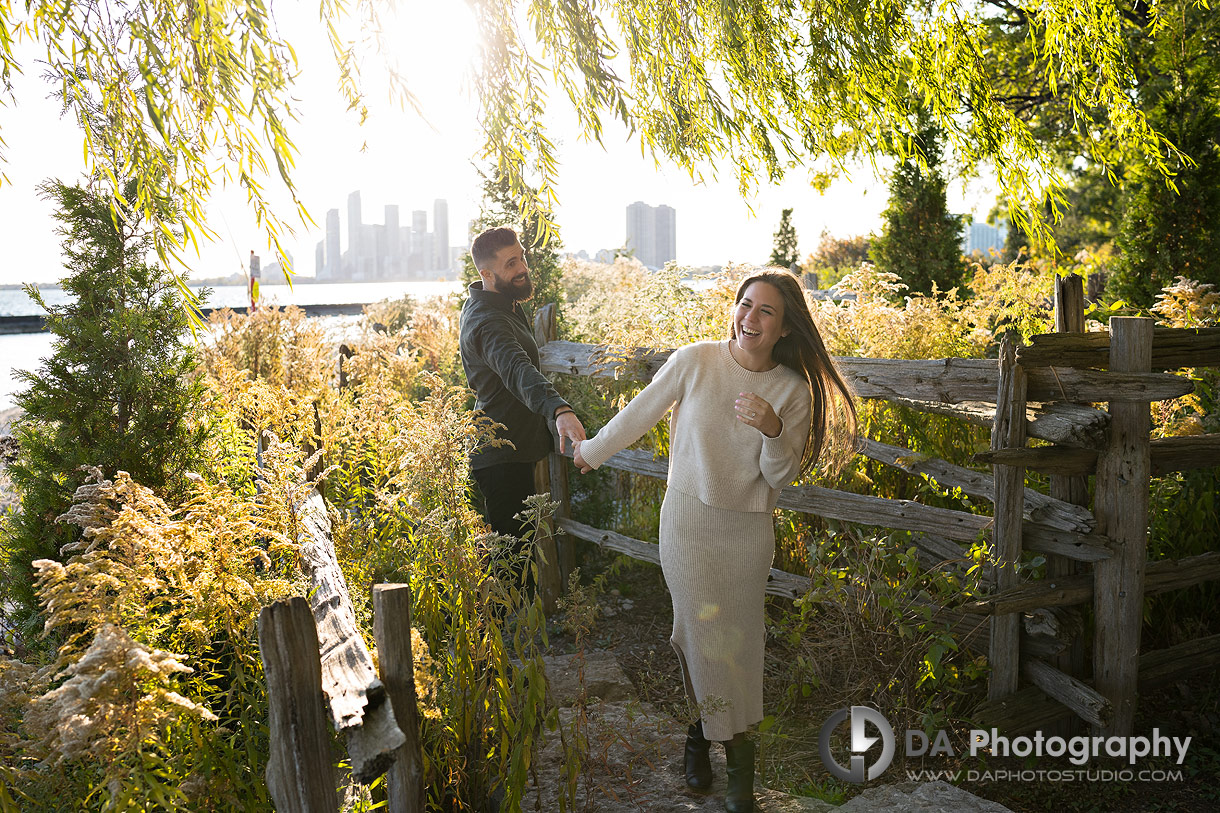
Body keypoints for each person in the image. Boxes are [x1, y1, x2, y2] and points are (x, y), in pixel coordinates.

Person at [573, 269, 857, 812]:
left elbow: (779, 478)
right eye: (744, 304)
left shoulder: (791, 392)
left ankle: (700, 736)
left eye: (765, 311)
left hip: (746, 533)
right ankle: (741, 766)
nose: (749, 318)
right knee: (699, 637)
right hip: (686, 523)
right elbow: (640, 414)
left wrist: (773, 429)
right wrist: (592, 450)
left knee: (740, 642)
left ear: (785, 329)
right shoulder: (695, 361)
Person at [460, 227, 586, 556]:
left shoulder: (502, 303)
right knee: (511, 569)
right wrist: (559, 409)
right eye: (511, 263)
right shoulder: (488, 322)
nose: (523, 268)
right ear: (486, 273)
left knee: (518, 560)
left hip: (516, 450)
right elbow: (517, 369)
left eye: (522, 257)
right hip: (501, 459)